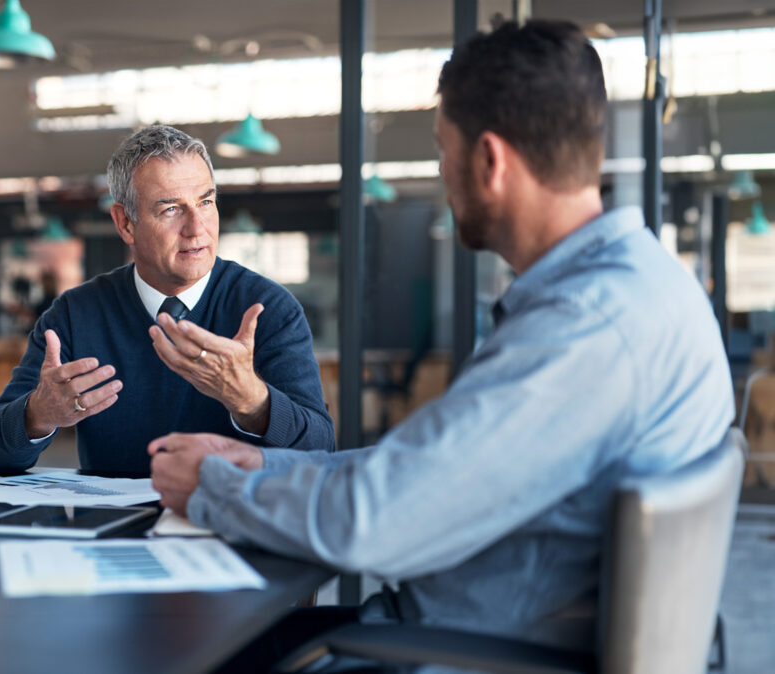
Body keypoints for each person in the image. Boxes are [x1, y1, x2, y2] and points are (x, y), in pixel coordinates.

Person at [148, 19, 734, 666]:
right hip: (475, 632)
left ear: (490, 162)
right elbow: (425, 474)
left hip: (448, 651)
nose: (441, 176)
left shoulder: (585, 326)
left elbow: (375, 522)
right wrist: (260, 465)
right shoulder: (644, 287)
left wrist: (211, 487)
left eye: (442, 152)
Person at [0, 125, 334, 477]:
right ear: (126, 223)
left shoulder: (269, 310)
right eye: (171, 209)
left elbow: (321, 451)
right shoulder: (74, 314)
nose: (197, 228)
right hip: (109, 528)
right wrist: (38, 413)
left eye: (206, 202)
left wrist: (253, 402)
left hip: (226, 523)